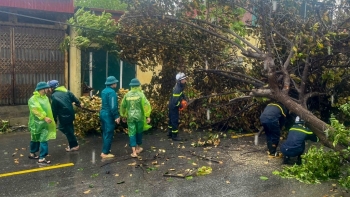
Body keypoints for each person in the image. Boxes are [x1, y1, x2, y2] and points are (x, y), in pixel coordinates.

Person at [120, 78, 152, 158]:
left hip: (130, 117)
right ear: (138, 86)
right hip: (139, 116)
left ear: (131, 86)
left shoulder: (127, 95)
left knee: (132, 132)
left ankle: (134, 152)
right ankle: (138, 148)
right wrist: (147, 116)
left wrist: (123, 115)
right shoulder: (141, 94)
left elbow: (123, 106)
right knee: (139, 131)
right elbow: (146, 105)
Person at [48, 80, 81, 152]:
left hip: (64, 116)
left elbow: (54, 109)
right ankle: (73, 144)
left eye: (49, 87)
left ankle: (74, 145)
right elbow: (74, 98)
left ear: (53, 88)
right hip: (70, 114)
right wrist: (79, 103)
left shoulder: (54, 96)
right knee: (69, 130)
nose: (48, 89)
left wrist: (54, 119)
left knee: (66, 130)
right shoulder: (66, 91)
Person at [28, 82, 56, 164]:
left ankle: (41, 156)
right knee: (35, 138)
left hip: (44, 123)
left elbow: (48, 109)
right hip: (36, 123)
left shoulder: (45, 98)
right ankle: (35, 155)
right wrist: (44, 117)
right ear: (42, 89)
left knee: (43, 139)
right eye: (46, 88)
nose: (48, 89)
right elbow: (35, 110)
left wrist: (48, 118)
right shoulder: (33, 99)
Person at [100, 76, 120, 158]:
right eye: (115, 82)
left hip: (103, 113)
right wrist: (116, 116)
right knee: (109, 133)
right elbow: (113, 106)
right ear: (113, 84)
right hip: (109, 115)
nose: (116, 84)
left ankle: (106, 149)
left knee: (105, 132)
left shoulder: (104, 91)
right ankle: (105, 153)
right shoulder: (112, 92)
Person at [168, 72, 188, 141]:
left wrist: (185, 98)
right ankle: (174, 136)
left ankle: (170, 133)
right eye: (183, 79)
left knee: (171, 120)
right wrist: (181, 105)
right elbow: (175, 101)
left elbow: (181, 94)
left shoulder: (179, 86)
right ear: (180, 80)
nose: (185, 80)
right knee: (174, 121)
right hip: (173, 107)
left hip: (171, 105)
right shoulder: (177, 89)